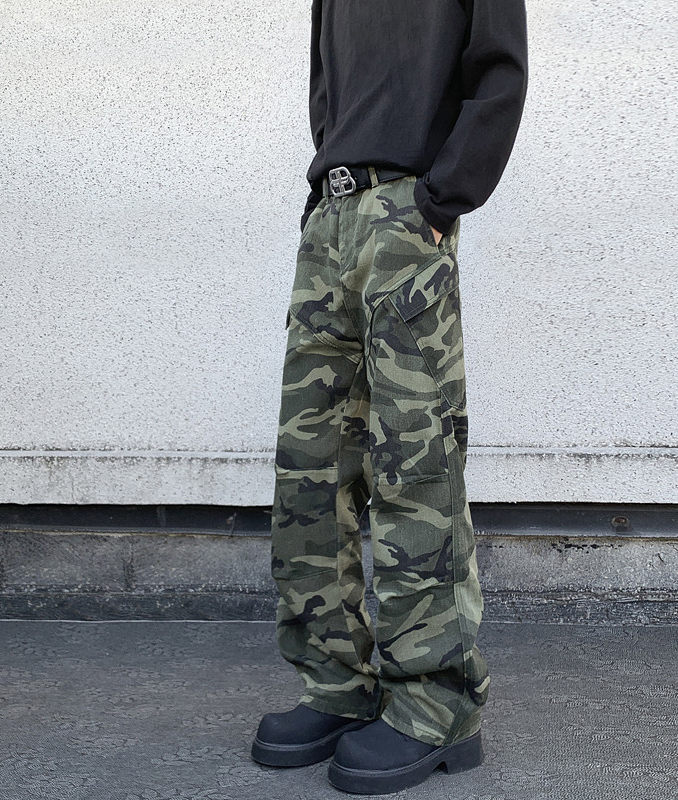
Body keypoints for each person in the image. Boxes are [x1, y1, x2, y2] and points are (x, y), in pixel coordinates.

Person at [251, 0, 528, 793]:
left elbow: (500, 71)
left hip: (407, 216)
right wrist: (322, 201)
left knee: (415, 463)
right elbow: (328, 86)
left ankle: (437, 703)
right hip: (332, 219)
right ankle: (336, 684)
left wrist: (440, 199)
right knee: (310, 468)